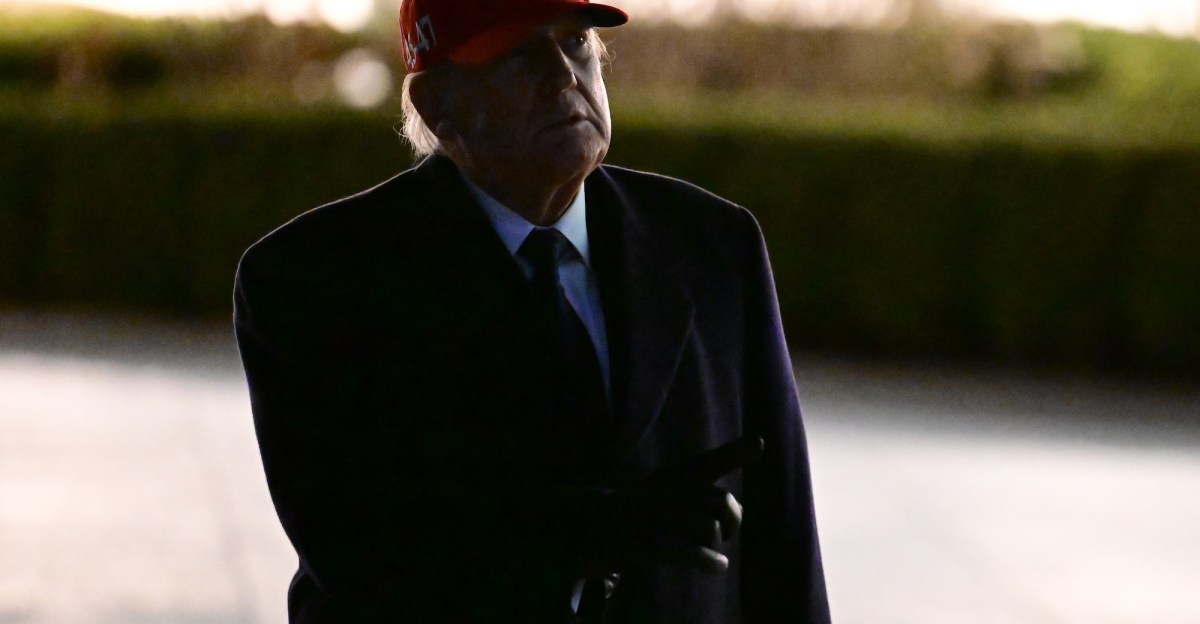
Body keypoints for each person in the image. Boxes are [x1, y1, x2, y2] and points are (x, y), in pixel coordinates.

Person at [233, 0, 830, 622]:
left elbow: (783, 536)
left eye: (575, 42)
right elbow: (356, 544)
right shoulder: (311, 279)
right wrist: (590, 533)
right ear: (439, 106)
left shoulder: (712, 244)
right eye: (518, 55)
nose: (564, 76)